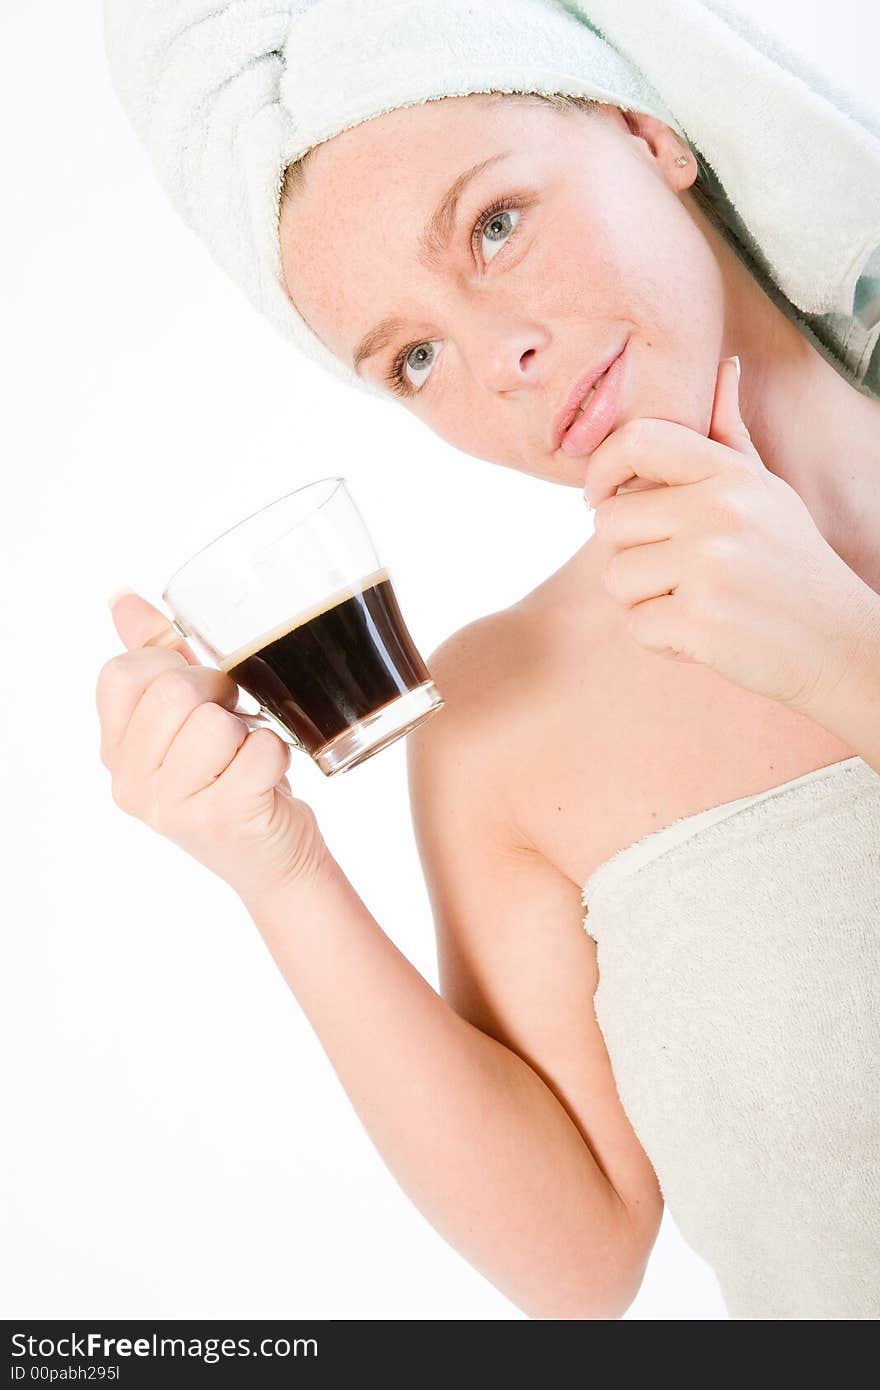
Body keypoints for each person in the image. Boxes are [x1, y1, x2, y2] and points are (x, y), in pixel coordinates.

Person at [98, 90, 880, 1319]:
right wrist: (279, 870)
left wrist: (847, 657)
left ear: (647, 131)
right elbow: (579, 1266)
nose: (498, 359)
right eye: (414, 358)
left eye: (496, 223)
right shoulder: (498, 716)